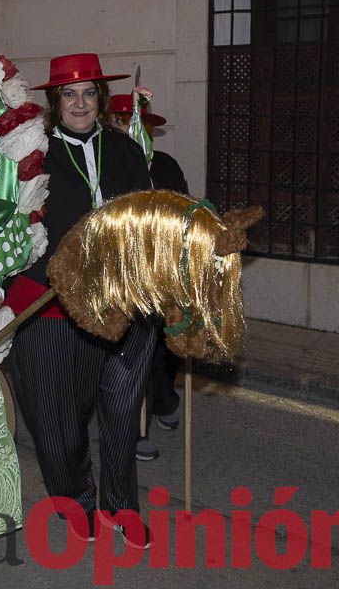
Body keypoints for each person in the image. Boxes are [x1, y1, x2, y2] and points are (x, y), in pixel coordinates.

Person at [0, 53, 155, 549]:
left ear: (101, 99)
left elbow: (148, 226)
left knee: (122, 413)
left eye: (89, 93)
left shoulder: (127, 152)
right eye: (69, 95)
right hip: (50, 308)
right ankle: (76, 498)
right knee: (57, 420)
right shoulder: (29, 154)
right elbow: (3, 228)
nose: (80, 103)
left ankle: (121, 504)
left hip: (127, 306)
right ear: (55, 103)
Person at [107, 93, 189, 462]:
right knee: (131, 353)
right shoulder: (107, 167)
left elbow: (185, 215)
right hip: (125, 275)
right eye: (122, 123)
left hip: (165, 272)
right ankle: (135, 429)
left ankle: (165, 398)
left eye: (139, 124)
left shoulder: (167, 166)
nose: (132, 130)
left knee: (166, 346)